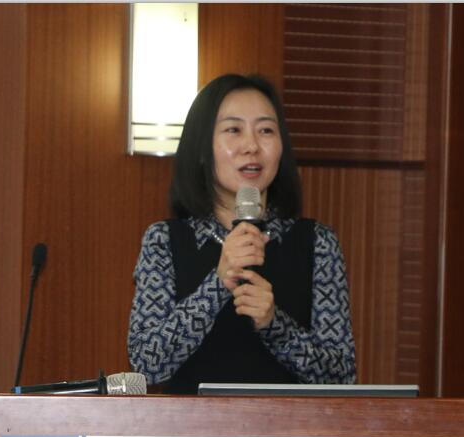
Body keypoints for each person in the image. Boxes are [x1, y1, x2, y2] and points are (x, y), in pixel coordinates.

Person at [127, 73, 357, 394]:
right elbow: (146, 364)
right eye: (234, 130)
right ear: (202, 148)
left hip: (289, 426)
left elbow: (342, 376)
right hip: (193, 425)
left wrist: (275, 326)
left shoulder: (318, 243)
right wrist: (218, 284)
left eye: (266, 131)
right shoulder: (164, 241)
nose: (252, 146)